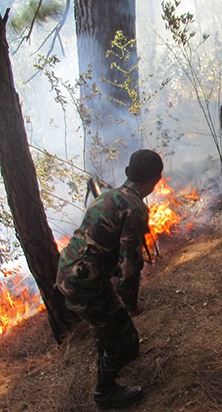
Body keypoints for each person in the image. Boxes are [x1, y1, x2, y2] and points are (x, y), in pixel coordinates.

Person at [56, 149, 163, 409]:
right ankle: (105, 393)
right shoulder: (135, 209)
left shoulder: (107, 196)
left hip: (67, 272)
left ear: (127, 173)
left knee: (106, 324)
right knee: (127, 342)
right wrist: (131, 303)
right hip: (85, 284)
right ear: (157, 180)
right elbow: (129, 266)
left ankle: (105, 357)